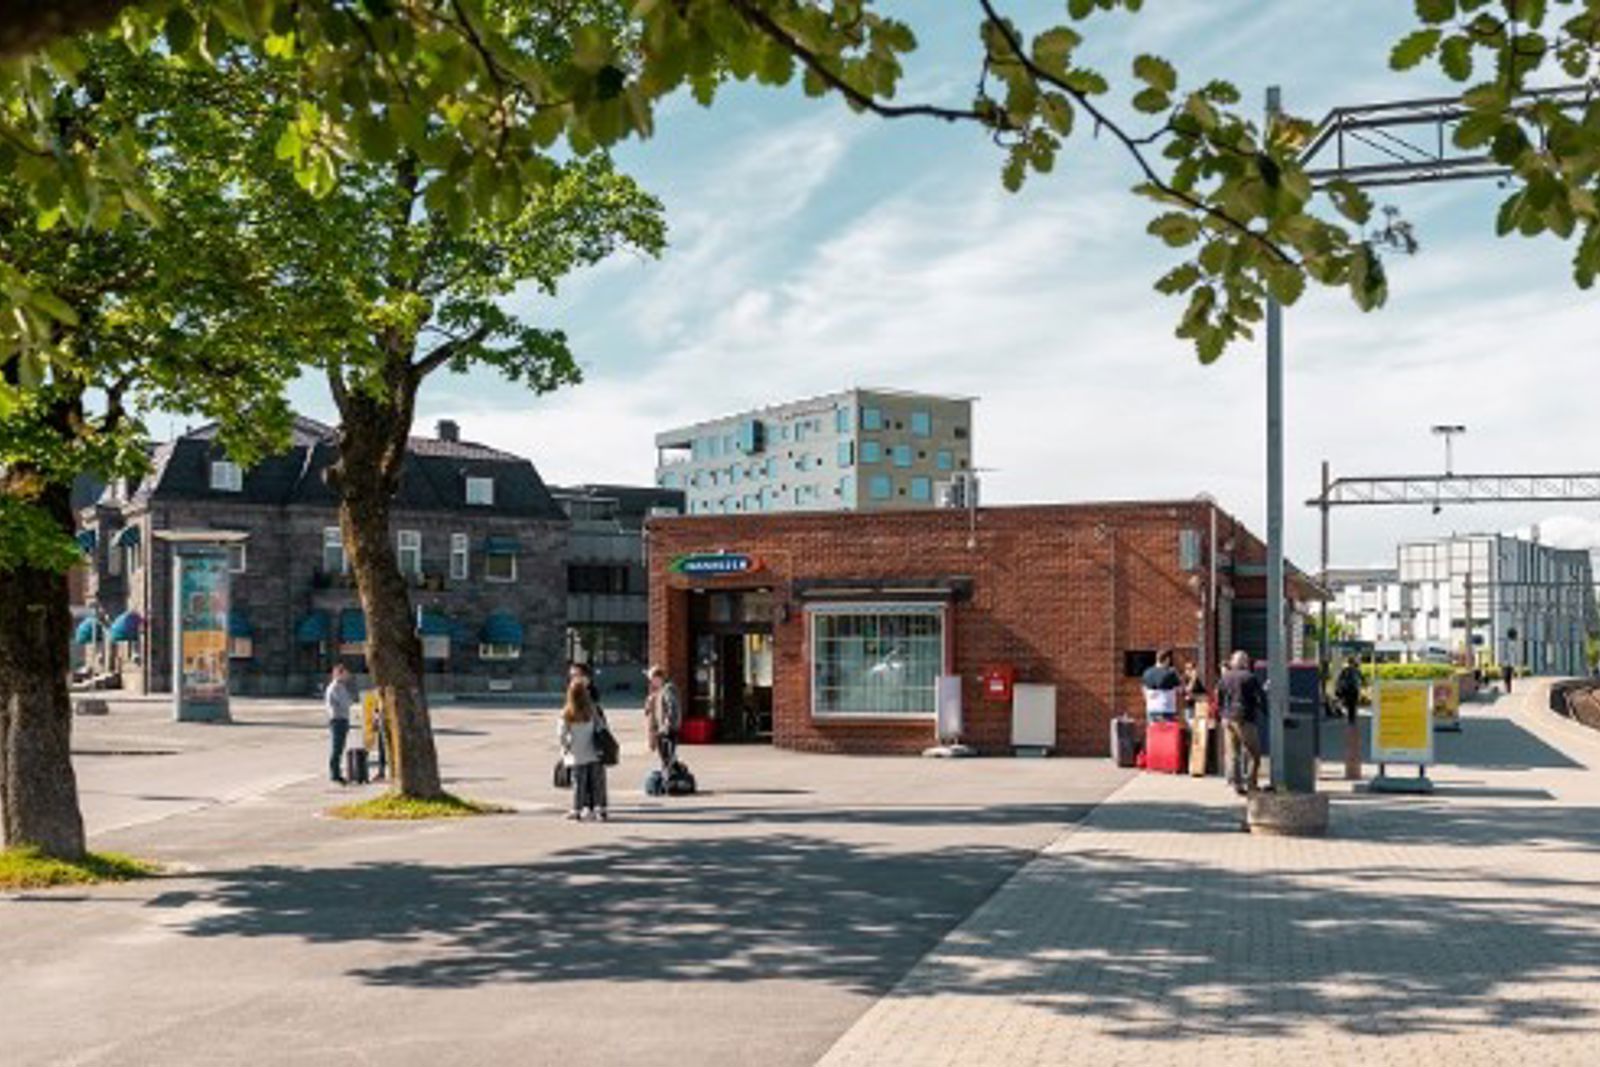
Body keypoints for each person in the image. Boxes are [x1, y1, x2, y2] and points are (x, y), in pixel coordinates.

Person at [557, 678, 608, 821]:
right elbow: (601, 726)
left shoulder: (567, 712)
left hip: (576, 753)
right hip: (594, 751)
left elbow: (562, 734)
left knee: (579, 784)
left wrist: (565, 748)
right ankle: (600, 809)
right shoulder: (592, 709)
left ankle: (577, 809)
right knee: (598, 782)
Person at [1216, 650, 1264, 795]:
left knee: (1233, 753)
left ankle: (1236, 785)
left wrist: (1222, 715)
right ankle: (1251, 784)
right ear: (1244, 662)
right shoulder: (1250, 677)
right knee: (1254, 754)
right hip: (1244, 719)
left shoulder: (1224, 678)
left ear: (1232, 662)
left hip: (1227, 719)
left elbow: (1219, 698)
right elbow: (1260, 698)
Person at [644, 665, 681, 775]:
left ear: (658, 677)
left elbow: (672, 707)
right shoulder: (662, 690)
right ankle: (670, 774)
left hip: (668, 729)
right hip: (664, 729)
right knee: (667, 756)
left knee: (667, 756)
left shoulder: (668, 689)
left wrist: (667, 725)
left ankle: (669, 776)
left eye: (652, 679)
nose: (651, 683)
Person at [325, 663, 354, 785]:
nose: (347, 676)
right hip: (339, 719)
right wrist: (350, 700)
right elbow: (346, 703)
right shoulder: (337, 686)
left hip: (338, 719)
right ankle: (335, 774)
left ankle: (335, 773)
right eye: (345, 673)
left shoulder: (337, 686)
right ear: (339, 673)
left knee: (338, 748)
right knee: (337, 748)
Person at [1141, 649, 1182, 723]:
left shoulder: (1147, 672)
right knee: (1167, 733)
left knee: (1154, 732)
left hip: (1151, 709)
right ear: (1167, 659)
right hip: (1167, 709)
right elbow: (1180, 690)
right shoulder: (1170, 673)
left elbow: (1144, 690)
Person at [1333, 655, 1363, 723]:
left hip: (1347, 689)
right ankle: (1352, 718)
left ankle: (1350, 717)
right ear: (1353, 662)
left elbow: (1340, 679)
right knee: (1353, 704)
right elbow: (1361, 679)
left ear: (1348, 662)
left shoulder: (1345, 670)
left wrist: (1339, 687)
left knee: (1349, 703)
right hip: (1354, 689)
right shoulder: (1357, 670)